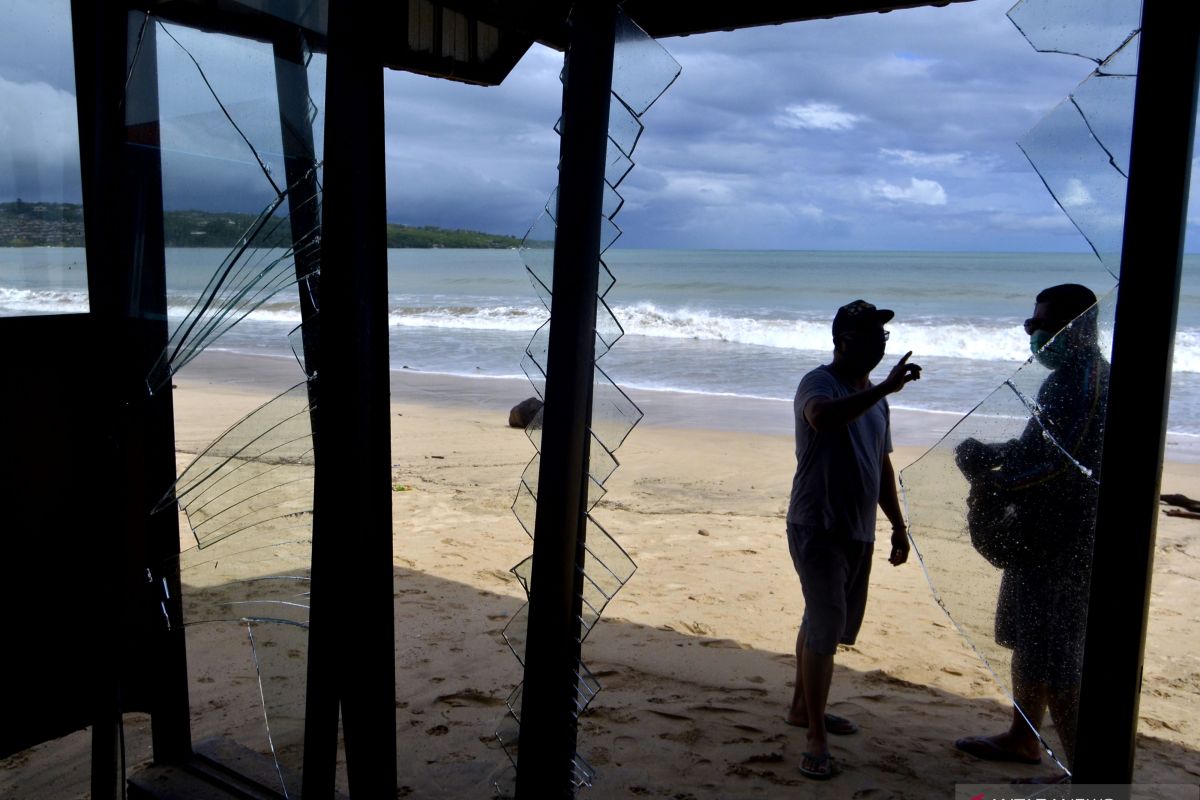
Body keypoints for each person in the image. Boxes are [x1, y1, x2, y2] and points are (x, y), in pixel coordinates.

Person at [953, 283, 1109, 773]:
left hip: (1064, 540)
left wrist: (996, 487)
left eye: (1043, 324)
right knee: (1028, 637)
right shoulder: (1063, 377)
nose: (1036, 334)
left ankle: (1087, 772)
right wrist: (991, 456)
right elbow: (1033, 448)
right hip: (1039, 533)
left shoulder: (1085, 380)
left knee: (1057, 656)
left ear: (1079, 327)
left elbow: (1062, 465)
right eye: (1030, 325)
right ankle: (1023, 736)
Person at [784, 299, 922, 780]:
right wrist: (884, 386)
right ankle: (816, 736)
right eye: (869, 337)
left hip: (857, 530)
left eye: (882, 338)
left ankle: (804, 707)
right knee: (827, 624)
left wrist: (899, 527)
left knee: (819, 618)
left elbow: (881, 465)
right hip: (815, 524)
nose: (880, 345)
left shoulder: (877, 399)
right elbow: (821, 417)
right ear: (842, 341)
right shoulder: (818, 382)